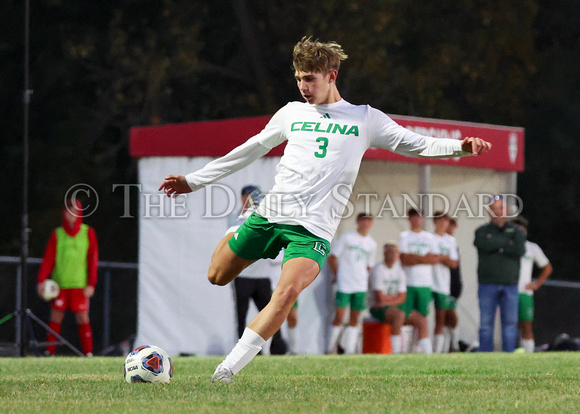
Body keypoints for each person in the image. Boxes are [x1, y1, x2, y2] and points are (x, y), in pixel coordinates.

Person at [159, 36, 492, 382]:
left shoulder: (364, 119)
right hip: (270, 213)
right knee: (217, 275)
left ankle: (227, 369)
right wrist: (193, 181)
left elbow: (417, 143)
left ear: (331, 76)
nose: (304, 86)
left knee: (286, 293)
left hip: (312, 230)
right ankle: (244, 218)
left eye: (310, 78)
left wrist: (460, 146)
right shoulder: (291, 113)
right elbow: (250, 149)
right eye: (299, 78)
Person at [229, 185, 287, 355]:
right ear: (242, 198)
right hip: (243, 275)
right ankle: (242, 351)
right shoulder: (236, 218)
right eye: (250, 196)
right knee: (242, 316)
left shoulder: (266, 217)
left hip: (262, 275)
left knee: (270, 313)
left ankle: (276, 348)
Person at [37, 199, 98, 356]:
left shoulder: (87, 232)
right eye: (69, 211)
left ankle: (88, 352)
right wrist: (41, 280)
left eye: (75, 211)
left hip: (79, 284)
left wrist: (91, 283)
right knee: (56, 315)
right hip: (60, 284)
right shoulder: (57, 234)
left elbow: (92, 260)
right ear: (64, 213)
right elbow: (48, 259)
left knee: (82, 317)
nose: (72, 215)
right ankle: (49, 351)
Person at [474, 195, 526, 352]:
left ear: (507, 210)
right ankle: (485, 355)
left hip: (510, 283)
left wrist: (496, 245)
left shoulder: (517, 231)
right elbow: (483, 246)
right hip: (487, 282)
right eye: (495, 208)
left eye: (501, 208)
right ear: (489, 211)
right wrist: (505, 243)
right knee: (485, 324)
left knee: (510, 323)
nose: (499, 212)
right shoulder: (482, 231)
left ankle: (509, 355)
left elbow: (519, 250)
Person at [327, 213, 377, 354]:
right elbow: (333, 257)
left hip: (360, 285)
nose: (366, 224)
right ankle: (329, 348)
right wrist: (338, 275)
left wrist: (361, 276)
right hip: (344, 283)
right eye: (363, 221)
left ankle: (349, 349)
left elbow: (369, 265)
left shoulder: (371, 243)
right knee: (339, 316)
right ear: (358, 221)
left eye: (368, 221)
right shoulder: (347, 237)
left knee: (355, 318)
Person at [398, 208, 439, 354]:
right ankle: (403, 348)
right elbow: (404, 259)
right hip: (408, 283)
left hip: (425, 283)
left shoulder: (429, 237)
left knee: (423, 317)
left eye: (419, 217)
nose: (416, 220)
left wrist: (415, 257)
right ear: (409, 219)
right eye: (413, 217)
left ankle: (419, 348)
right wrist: (424, 258)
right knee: (405, 316)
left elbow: (434, 258)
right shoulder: (404, 236)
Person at [513, 216, 553, 353]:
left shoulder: (531, 248)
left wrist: (536, 284)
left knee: (526, 324)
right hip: (509, 290)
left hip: (525, 292)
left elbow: (547, 267)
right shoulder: (506, 247)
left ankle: (528, 354)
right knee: (509, 324)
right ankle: (508, 352)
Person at [368, 242, 407, 354]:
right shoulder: (378, 270)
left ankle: (429, 353)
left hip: (392, 306)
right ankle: (396, 351)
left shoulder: (400, 271)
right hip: (377, 308)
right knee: (399, 315)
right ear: (384, 253)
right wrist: (395, 298)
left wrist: (389, 299)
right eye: (390, 252)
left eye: (395, 252)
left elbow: (402, 297)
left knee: (420, 319)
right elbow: (379, 298)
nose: (393, 255)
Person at [431, 212, 459, 353]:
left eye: (445, 221)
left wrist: (439, 257)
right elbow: (429, 258)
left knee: (443, 318)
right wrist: (443, 258)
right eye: (440, 220)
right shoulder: (429, 238)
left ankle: (442, 349)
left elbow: (454, 263)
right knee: (422, 316)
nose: (443, 223)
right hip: (428, 281)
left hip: (444, 284)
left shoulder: (451, 241)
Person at [446, 217, 462, 352]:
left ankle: (454, 344)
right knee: (443, 316)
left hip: (452, 285)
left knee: (450, 314)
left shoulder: (453, 244)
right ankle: (448, 345)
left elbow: (455, 266)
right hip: (442, 284)